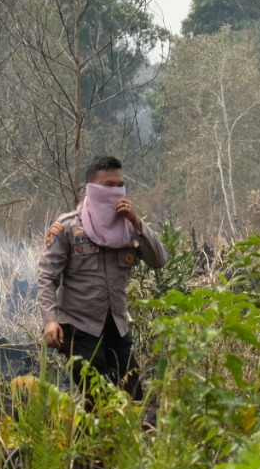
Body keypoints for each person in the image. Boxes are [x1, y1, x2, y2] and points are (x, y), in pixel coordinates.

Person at [37, 156, 167, 408]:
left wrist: (137, 221)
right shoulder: (67, 227)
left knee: (133, 398)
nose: (116, 191)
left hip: (116, 325)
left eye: (120, 185)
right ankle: (88, 446)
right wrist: (50, 320)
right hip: (78, 327)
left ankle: (126, 446)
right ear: (92, 189)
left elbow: (159, 260)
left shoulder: (129, 228)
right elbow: (47, 276)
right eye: (109, 185)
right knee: (95, 400)